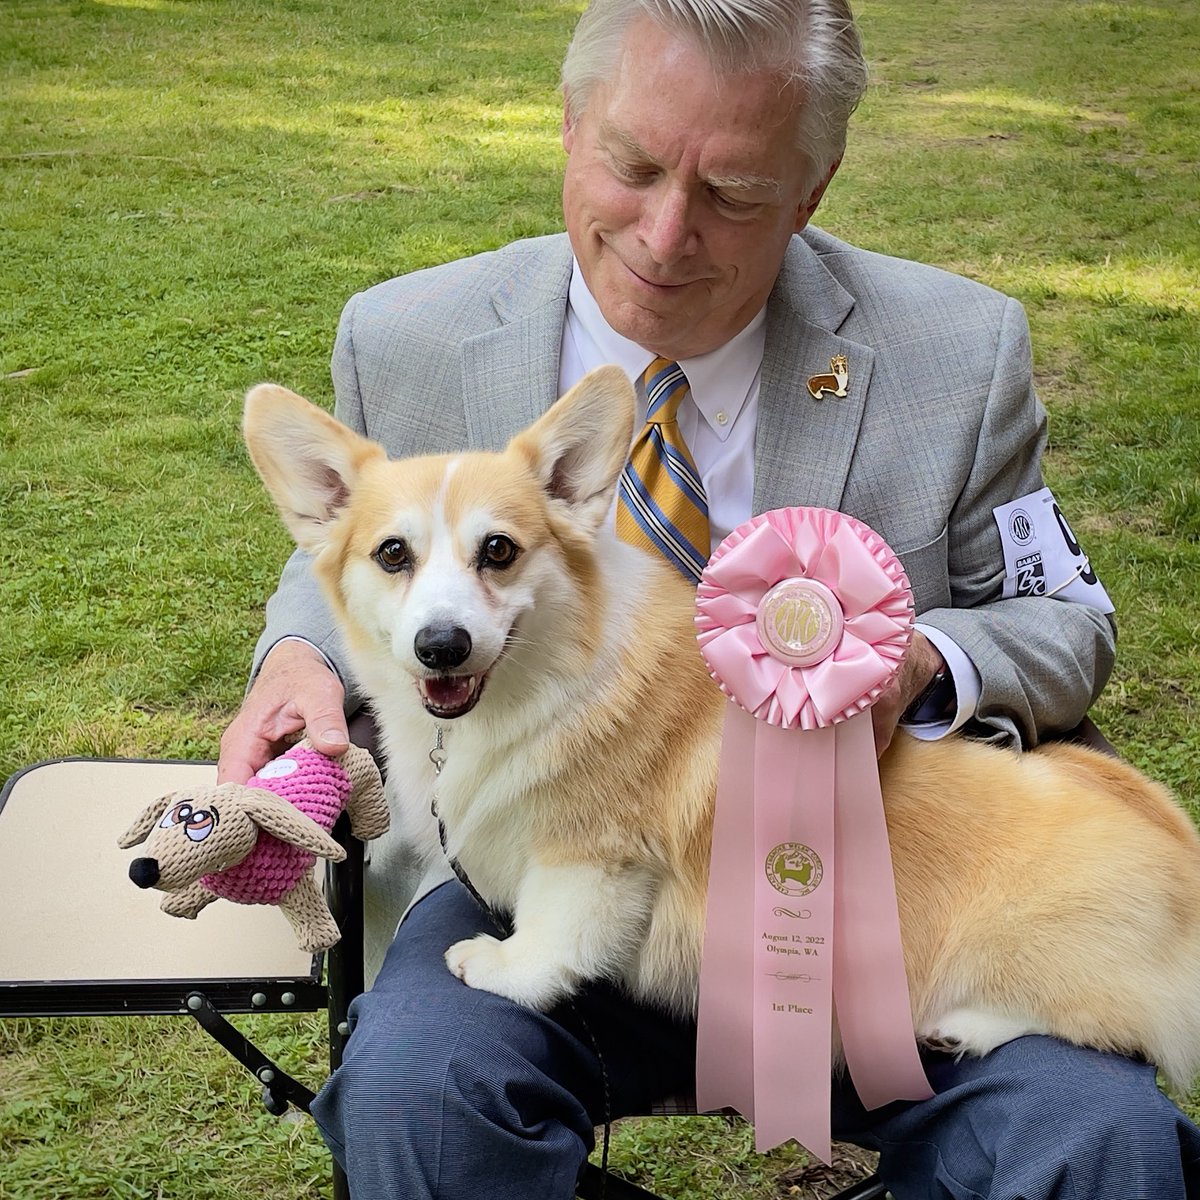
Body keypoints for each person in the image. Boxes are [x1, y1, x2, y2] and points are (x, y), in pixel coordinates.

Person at [218, 1, 1200, 1196]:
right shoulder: (407, 334)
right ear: (571, 124)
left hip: (897, 917)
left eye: (733, 190)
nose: (667, 233)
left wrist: (919, 662)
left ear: (815, 183)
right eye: (632, 164)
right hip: (536, 881)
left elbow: (1067, 622)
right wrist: (294, 656)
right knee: (418, 1091)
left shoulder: (959, 351)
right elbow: (360, 550)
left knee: (1106, 1144)